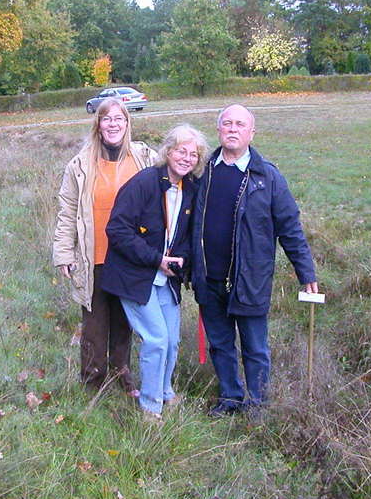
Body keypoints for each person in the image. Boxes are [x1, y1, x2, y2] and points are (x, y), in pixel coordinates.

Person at [191, 104, 318, 417]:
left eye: (240, 125)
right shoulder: (202, 172)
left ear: (251, 133)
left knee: (255, 348)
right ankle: (231, 398)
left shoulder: (268, 177)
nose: (233, 129)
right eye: (227, 123)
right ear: (218, 129)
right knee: (220, 344)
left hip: (250, 280)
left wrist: (306, 271)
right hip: (209, 279)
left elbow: (290, 227)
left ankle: (258, 403)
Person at [52, 98, 157, 395]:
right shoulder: (80, 164)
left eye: (119, 119)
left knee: (125, 321)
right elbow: (67, 210)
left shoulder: (144, 158)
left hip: (130, 257)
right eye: (106, 118)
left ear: (127, 123)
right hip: (93, 256)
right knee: (95, 325)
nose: (113, 124)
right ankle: (93, 380)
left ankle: (121, 374)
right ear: (97, 124)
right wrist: (63, 251)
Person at [101, 125, 206, 421]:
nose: (186, 158)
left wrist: (181, 260)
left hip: (166, 279)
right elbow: (117, 230)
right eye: (181, 151)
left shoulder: (190, 189)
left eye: (193, 154)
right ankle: (149, 407)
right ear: (168, 151)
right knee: (157, 339)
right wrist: (156, 259)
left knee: (172, 340)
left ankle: (164, 392)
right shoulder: (144, 183)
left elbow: (186, 235)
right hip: (134, 276)